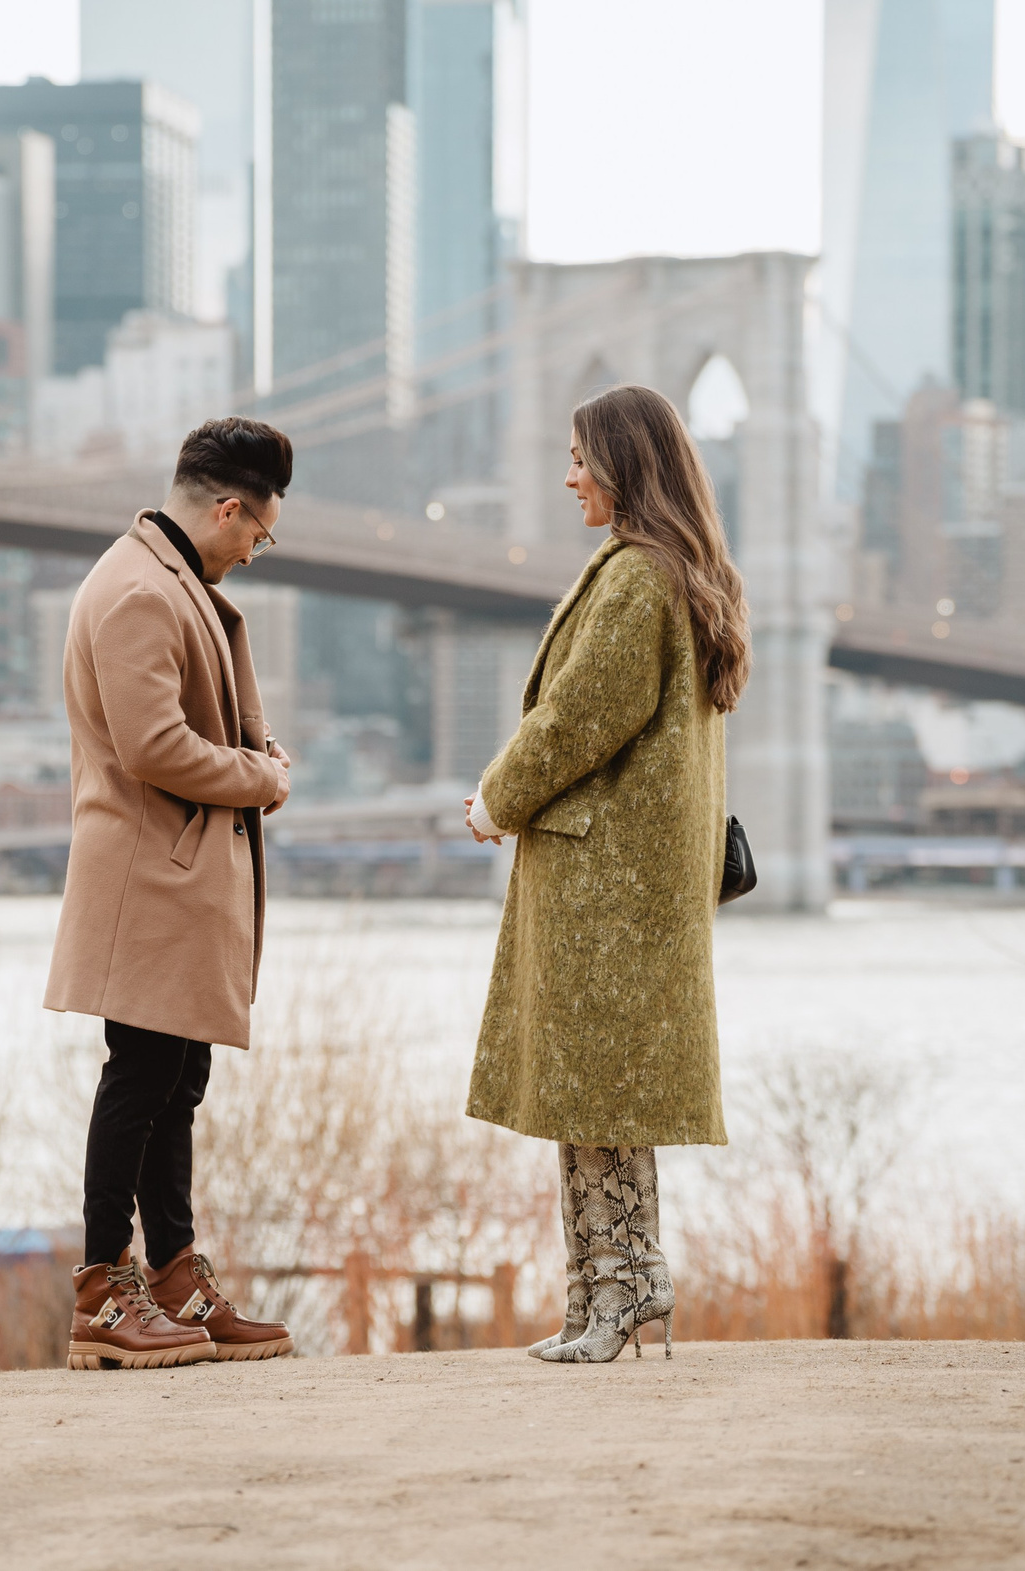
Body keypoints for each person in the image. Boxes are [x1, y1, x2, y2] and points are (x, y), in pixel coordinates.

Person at [462, 383, 750, 1364]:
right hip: (620, 884)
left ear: (626, 465)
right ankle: (601, 1291)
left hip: (608, 890)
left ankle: (625, 1285)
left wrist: (495, 801)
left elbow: (580, 718)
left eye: (582, 456)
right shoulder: (673, 571)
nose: (569, 474)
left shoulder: (638, 580)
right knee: (592, 1095)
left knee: (601, 1094)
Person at [45, 417, 302, 1371]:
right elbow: (153, 746)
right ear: (229, 508)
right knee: (139, 1077)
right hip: (148, 876)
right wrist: (260, 775)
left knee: (173, 1081)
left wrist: (251, 752)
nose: (254, 551)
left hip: (172, 874)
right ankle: (104, 1293)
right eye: (259, 534)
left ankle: (176, 1278)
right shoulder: (140, 593)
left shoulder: (166, 577)